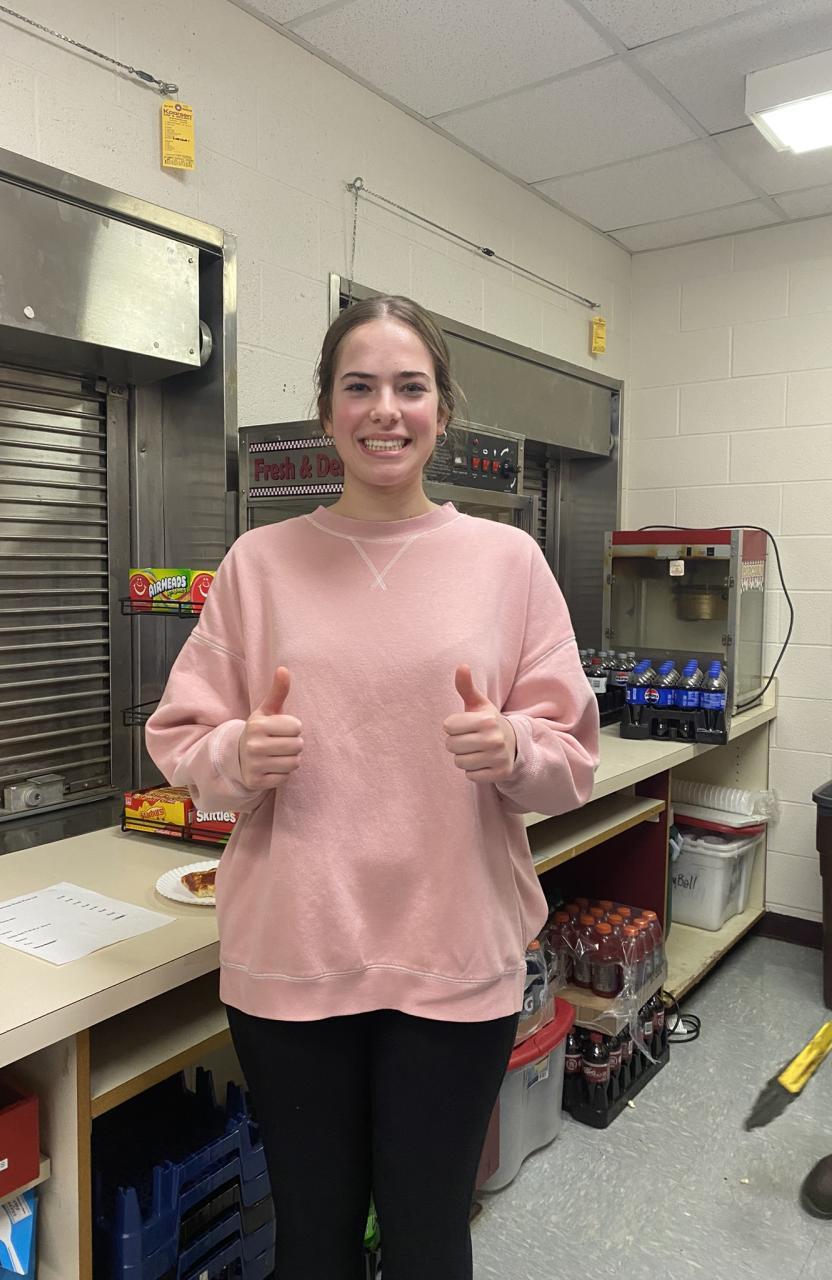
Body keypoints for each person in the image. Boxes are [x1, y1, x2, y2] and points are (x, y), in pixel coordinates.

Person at [146, 295, 599, 1279]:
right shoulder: (259, 563)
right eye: (359, 387)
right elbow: (178, 737)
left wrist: (513, 745)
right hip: (294, 950)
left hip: (454, 950)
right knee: (313, 1240)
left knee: (430, 1236)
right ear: (326, 411)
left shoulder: (508, 562)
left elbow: (573, 758)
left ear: (442, 409)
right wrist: (238, 756)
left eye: (409, 387)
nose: (385, 409)